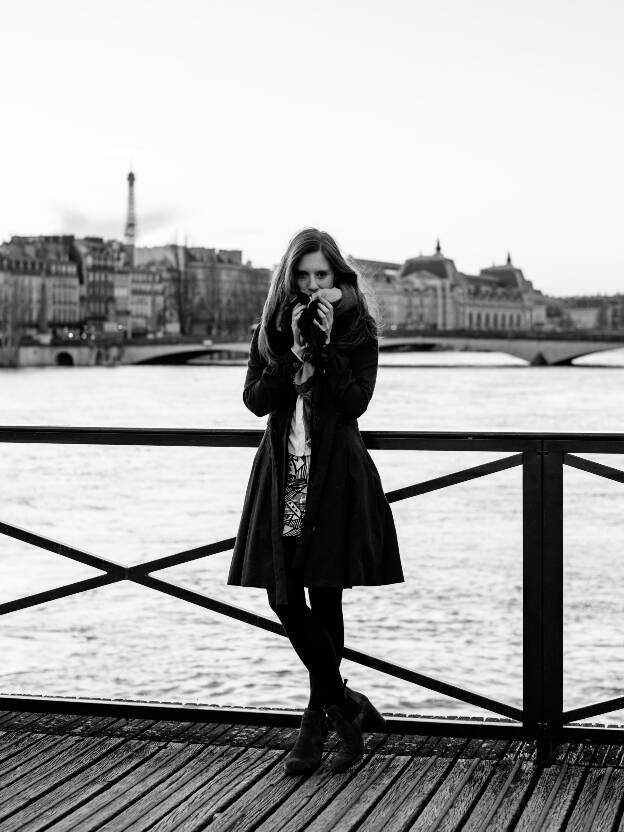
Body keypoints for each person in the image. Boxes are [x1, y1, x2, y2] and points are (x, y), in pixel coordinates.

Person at [227, 227, 404, 775]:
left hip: (333, 474)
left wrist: (326, 355)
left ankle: (314, 716)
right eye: (302, 276)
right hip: (284, 475)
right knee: (283, 596)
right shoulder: (273, 329)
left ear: (338, 277)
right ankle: (343, 703)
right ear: (289, 278)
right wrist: (291, 355)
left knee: (326, 599)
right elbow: (255, 401)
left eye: (321, 276)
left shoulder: (359, 331)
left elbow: (356, 404)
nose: (311, 286)